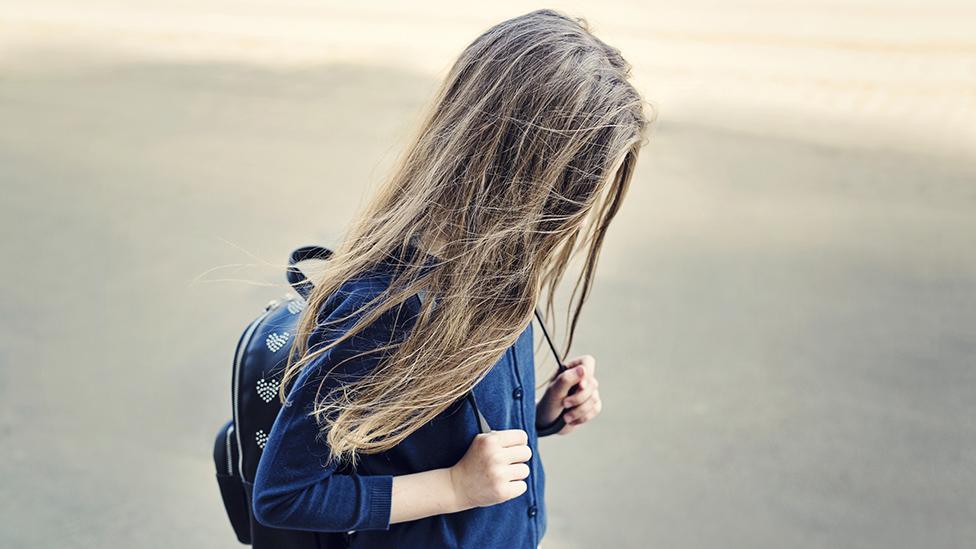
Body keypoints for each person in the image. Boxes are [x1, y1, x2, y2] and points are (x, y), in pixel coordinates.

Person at [251, 8, 648, 548]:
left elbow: (437, 429)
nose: (573, 214)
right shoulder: (384, 308)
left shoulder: (502, 272)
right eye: (575, 187)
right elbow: (284, 495)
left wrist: (541, 416)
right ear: (525, 175)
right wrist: (456, 488)